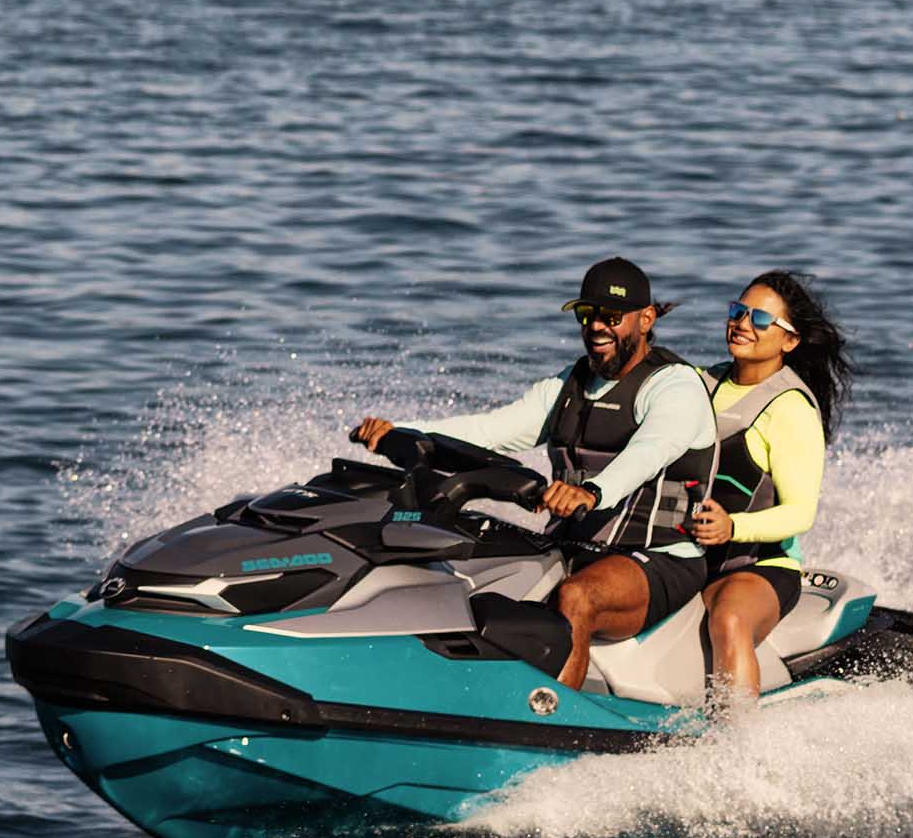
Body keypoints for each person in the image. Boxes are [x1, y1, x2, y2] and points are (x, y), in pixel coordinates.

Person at [351, 258, 717, 694]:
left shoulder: (675, 386)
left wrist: (591, 492)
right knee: (458, 570)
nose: (597, 327)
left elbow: (650, 451)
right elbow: (491, 431)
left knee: (577, 598)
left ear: (647, 318)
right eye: (588, 315)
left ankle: (555, 726)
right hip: (570, 546)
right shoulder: (569, 385)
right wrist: (401, 431)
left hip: (659, 556)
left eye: (612, 317)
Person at [684, 272, 847, 702]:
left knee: (731, 619)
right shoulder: (699, 385)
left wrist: (732, 527)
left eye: (759, 318)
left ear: (789, 342)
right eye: (737, 312)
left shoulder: (790, 408)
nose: (742, 323)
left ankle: (738, 745)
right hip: (683, 556)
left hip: (759, 567)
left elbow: (800, 513)